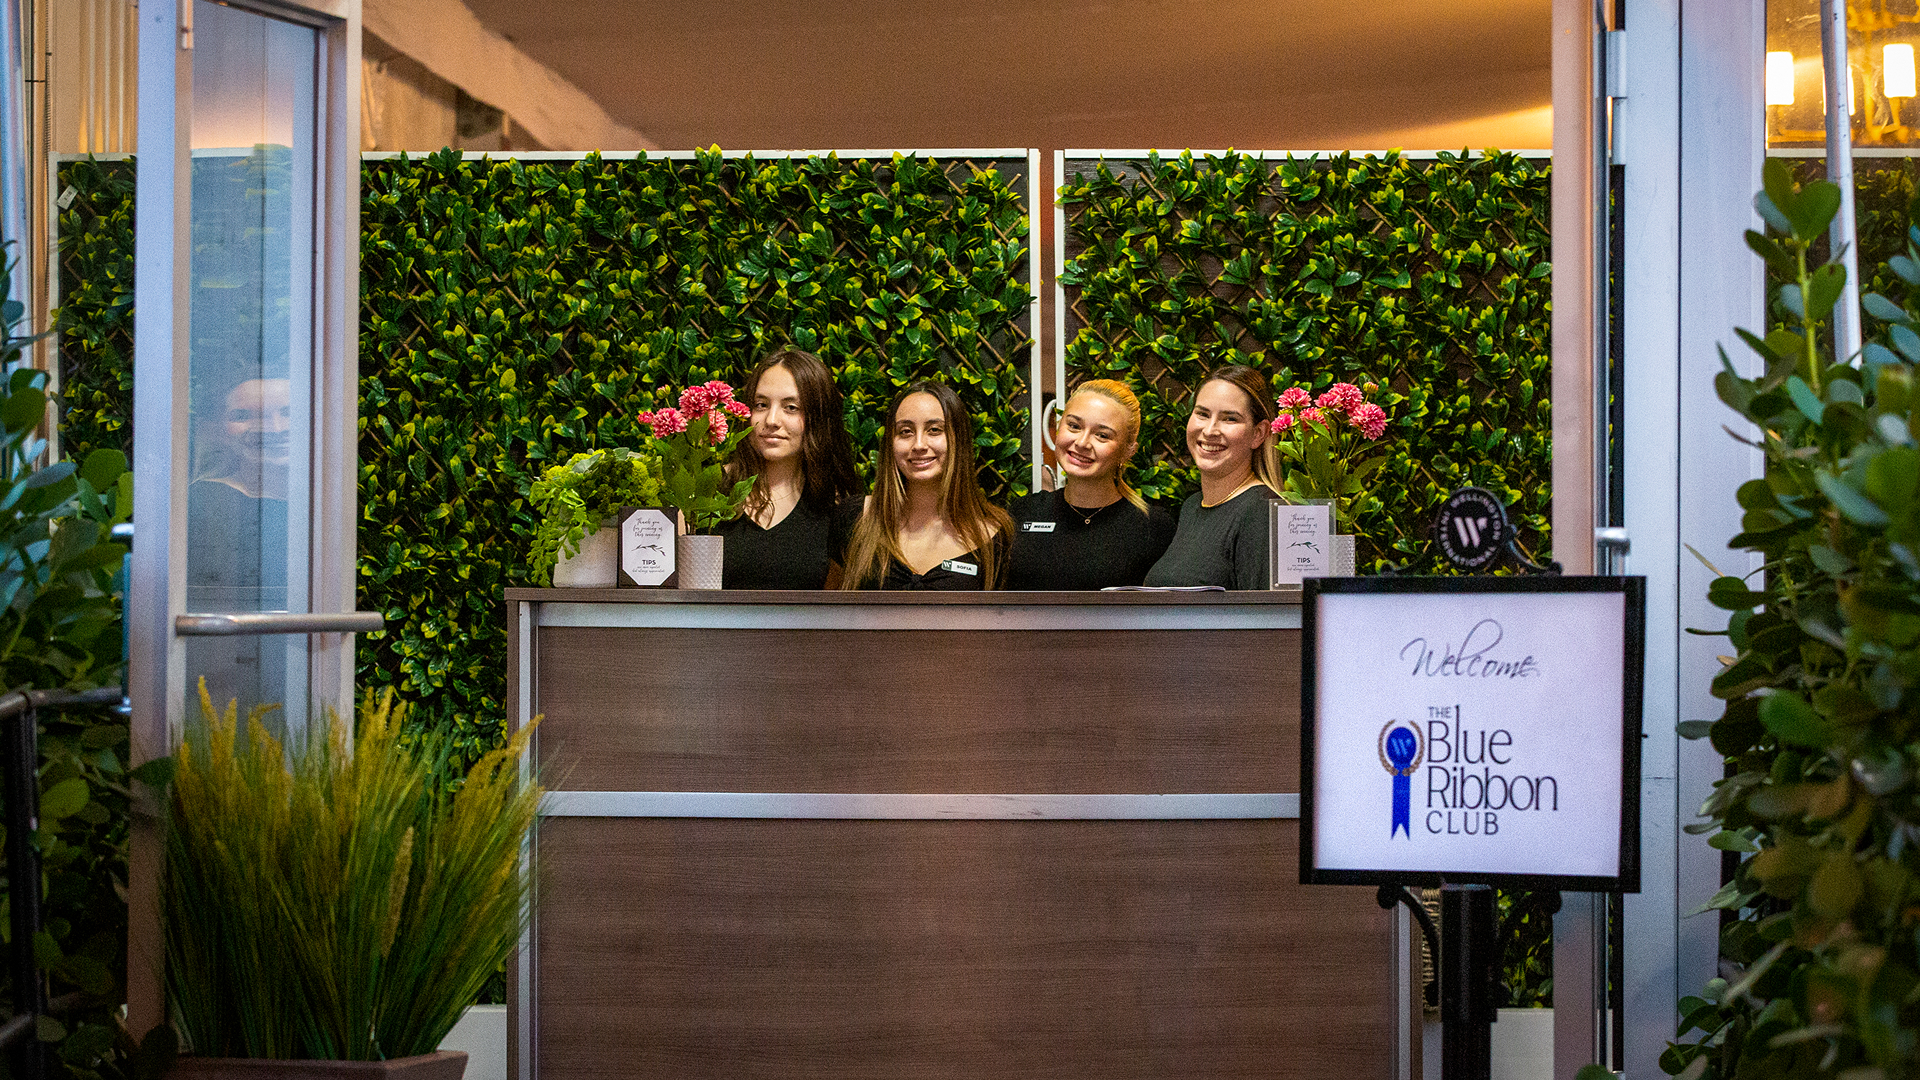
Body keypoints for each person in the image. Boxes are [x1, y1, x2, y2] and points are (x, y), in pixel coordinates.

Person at [839, 380, 1012, 590]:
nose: (919, 444)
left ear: (959, 440)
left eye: (934, 430)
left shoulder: (995, 534)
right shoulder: (856, 518)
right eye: (905, 431)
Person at [716, 348, 864, 589]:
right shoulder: (709, 490)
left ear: (818, 417)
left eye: (791, 407)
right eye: (761, 405)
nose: (771, 420)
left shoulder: (836, 505)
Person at [1006, 380, 1175, 589]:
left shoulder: (1153, 527)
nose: (1082, 442)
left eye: (1102, 435)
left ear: (1128, 450)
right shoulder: (1022, 513)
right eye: (1074, 426)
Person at [1141, 364, 1286, 590]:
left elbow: (1267, 611)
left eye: (1230, 419)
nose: (1209, 430)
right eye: (1202, 414)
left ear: (1258, 434)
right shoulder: (1192, 507)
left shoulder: (1263, 511)